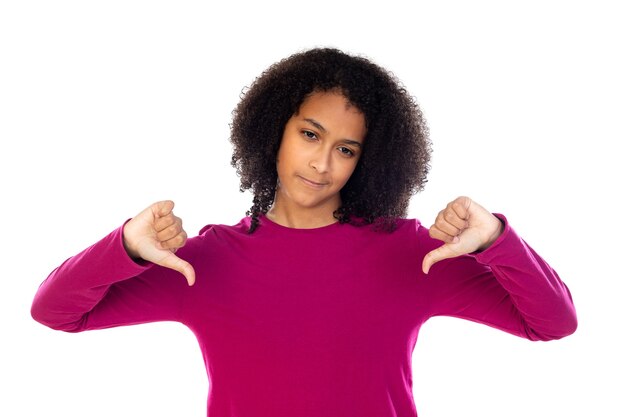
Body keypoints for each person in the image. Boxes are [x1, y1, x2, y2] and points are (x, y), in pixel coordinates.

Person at [31, 48, 577, 417]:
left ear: (368, 161)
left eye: (346, 149)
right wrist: (125, 245)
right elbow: (56, 312)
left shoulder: (412, 254)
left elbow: (552, 322)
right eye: (310, 134)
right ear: (275, 132)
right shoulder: (204, 262)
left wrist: (496, 240)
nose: (322, 163)